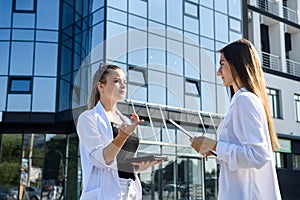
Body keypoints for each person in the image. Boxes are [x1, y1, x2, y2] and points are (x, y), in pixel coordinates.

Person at [190, 39, 282, 200]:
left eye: (222, 64)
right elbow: (242, 151)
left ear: (237, 64)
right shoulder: (244, 99)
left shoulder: (244, 100)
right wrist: (213, 150)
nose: (219, 72)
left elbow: (258, 155)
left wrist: (214, 145)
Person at [76, 64, 161, 199]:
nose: (123, 85)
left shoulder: (126, 121)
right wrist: (122, 137)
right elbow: (102, 160)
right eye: (116, 81)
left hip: (129, 192)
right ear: (101, 86)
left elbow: (121, 165)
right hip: (103, 194)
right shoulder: (88, 118)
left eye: (124, 82)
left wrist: (140, 166)